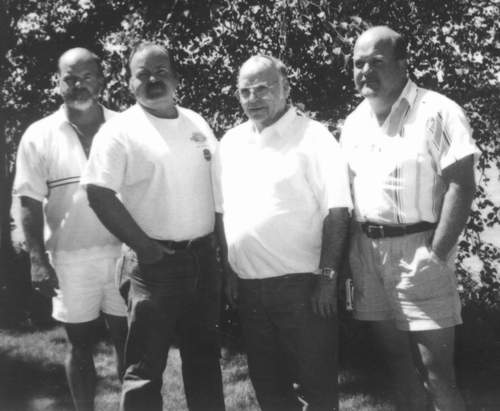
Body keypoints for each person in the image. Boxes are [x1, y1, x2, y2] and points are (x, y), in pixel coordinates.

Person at [340, 26, 479, 411]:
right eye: (358, 63)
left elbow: (462, 185)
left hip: (419, 253)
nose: (365, 71)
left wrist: (437, 254)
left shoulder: (438, 111)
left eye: (376, 62)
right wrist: (350, 259)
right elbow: (348, 196)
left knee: (437, 375)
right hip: (367, 255)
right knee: (398, 370)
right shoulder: (353, 122)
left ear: (403, 64)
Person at [81, 42, 225, 411]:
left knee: (205, 363)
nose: (152, 80)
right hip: (153, 267)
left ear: (176, 77)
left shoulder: (197, 122)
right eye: (142, 74)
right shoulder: (119, 131)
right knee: (144, 371)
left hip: (202, 260)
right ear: (129, 83)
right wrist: (144, 247)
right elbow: (98, 192)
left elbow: (216, 191)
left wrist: (219, 250)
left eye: (161, 71)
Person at [213, 55, 352, 411]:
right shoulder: (230, 142)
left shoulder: (315, 137)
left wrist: (327, 279)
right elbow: (223, 213)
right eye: (245, 91)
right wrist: (229, 270)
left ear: (286, 88)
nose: (253, 98)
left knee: (317, 388)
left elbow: (337, 212)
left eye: (262, 88)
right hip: (249, 289)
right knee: (269, 389)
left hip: (303, 287)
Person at [13, 47, 127, 411]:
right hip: (69, 258)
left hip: (125, 254)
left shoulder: (125, 127)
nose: (79, 85)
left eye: (87, 77)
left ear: (103, 80)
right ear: (58, 83)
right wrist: (36, 260)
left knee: (130, 343)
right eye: (70, 79)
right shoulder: (38, 134)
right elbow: (28, 202)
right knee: (79, 346)